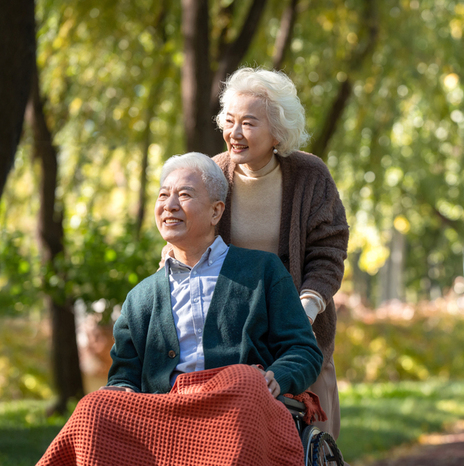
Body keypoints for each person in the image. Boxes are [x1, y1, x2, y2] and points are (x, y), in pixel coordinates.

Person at [38, 152, 323, 465]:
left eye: (184, 195)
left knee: (244, 380)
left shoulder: (263, 271)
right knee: (94, 406)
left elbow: (303, 350)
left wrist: (276, 376)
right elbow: (124, 378)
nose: (169, 205)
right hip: (164, 416)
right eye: (163, 195)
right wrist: (124, 395)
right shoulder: (141, 297)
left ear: (216, 212)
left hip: (231, 407)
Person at [210, 67, 349, 439]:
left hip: (301, 332)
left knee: (313, 440)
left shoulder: (310, 175)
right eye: (229, 121)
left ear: (277, 131)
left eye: (249, 123)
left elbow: (329, 249)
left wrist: (307, 306)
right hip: (231, 339)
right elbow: (186, 241)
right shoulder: (211, 175)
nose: (234, 133)